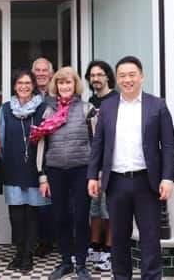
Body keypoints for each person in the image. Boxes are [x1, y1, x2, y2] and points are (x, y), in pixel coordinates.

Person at [87, 56, 174, 280]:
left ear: (141, 76)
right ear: (116, 79)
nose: (127, 80)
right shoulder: (107, 107)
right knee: (118, 238)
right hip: (116, 182)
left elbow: (167, 146)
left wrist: (167, 178)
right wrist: (92, 176)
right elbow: (98, 144)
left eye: (132, 75)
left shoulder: (157, 105)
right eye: (122, 76)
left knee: (149, 238)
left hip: (147, 182)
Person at [31, 67, 95, 280]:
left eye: (68, 82)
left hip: (82, 171)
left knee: (80, 218)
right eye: (61, 83)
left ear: (75, 85)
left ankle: (82, 265)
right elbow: (41, 146)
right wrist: (42, 176)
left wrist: (97, 174)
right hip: (56, 171)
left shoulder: (88, 109)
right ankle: (66, 262)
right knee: (61, 217)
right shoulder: (49, 112)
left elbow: (97, 144)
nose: (65, 86)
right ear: (56, 86)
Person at [0, 69, 49, 273]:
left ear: (33, 85)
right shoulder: (5, 109)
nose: (24, 86)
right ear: (14, 86)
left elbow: (48, 141)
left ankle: (28, 255)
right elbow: (1, 142)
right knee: (16, 215)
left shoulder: (44, 108)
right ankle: (18, 253)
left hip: (35, 169)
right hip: (12, 168)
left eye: (28, 82)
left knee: (32, 214)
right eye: (20, 83)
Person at [83, 60, 117, 271]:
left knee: (109, 208)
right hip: (93, 162)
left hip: (111, 162)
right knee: (95, 207)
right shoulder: (90, 100)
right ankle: (95, 247)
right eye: (92, 75)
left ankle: (109, 251)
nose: (95, 78)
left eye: (99, 74)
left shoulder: (116, 99)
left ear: (107, 77)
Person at [30, 57, 56, 257]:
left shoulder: (57, 96)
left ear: (51, 73)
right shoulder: (27, 94)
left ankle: (51, 240)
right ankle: (38, 240)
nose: (40, 73)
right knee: (35, 203)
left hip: (52, 155)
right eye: (37, 70)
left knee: (50, 203)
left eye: (44, 70)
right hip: (30, 155)